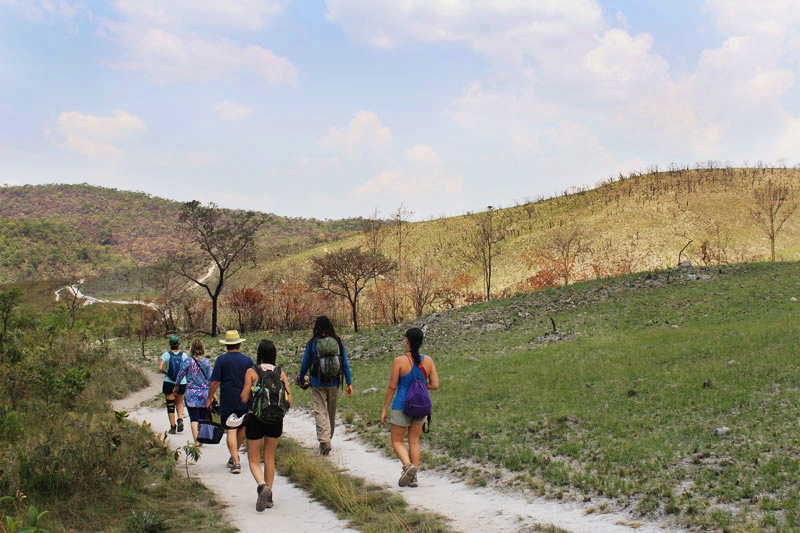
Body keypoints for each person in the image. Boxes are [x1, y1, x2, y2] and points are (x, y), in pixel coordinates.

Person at [380, 327, 439, 487]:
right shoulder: (428, 361)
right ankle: (413, 478)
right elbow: (435, 385)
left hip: (401, 405)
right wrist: (421, 385)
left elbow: (392, 387)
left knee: (397, 441)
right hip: (421, 406)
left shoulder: (399, 361)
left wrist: (385, 409)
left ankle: (408, 466)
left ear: (407, 341)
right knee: (414, 441)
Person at [240, 340, 292, 511]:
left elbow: (244, 398)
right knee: (269, 457)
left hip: (256, 419)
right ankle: (269, 498)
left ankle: (262, 486)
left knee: (254, 459)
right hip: (276, 420)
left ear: (259, 353)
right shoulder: (280, 373)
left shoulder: (252, 372)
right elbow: (289, 399)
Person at [296, 316, 353, 455]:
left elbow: (305, 363)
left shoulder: (312, 343)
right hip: (334, 382)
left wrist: (301, 377)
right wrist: (349, 382)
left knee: (320, 411)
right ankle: (328, 437)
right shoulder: (338, 342)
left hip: (317, 382)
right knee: (331, 412)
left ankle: (324, 440)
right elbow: (344, 363)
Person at [206, 330, 254, 474]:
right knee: (241, 428)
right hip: (244, 399)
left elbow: (214, 382)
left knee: (230, 429)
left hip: (227, 399)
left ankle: (236, 461)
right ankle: (234, 457)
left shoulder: (221, 360)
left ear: (227, 345)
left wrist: (209, 398)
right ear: (239, 344)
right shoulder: (248, 360)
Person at [174, 339, 213, 447]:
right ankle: (201, 437)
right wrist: (212, 393)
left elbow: (180, 374)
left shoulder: (188, 361)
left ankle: (196, 440)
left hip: (191, 393)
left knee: (194, 418)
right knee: (202, 417)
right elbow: (211, 378)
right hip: (204, 393)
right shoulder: (207, 362)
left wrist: (176, 385)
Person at [158, 335, 188, 434]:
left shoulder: (166, 355)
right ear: (178, 344)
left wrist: (166, 372)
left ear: (170, 344)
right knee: (179, 403)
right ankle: (180, 419)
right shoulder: (184, 355)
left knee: (170, 405)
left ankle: (173, 427)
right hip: (182, 382)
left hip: (169, 382)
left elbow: (160, 368)